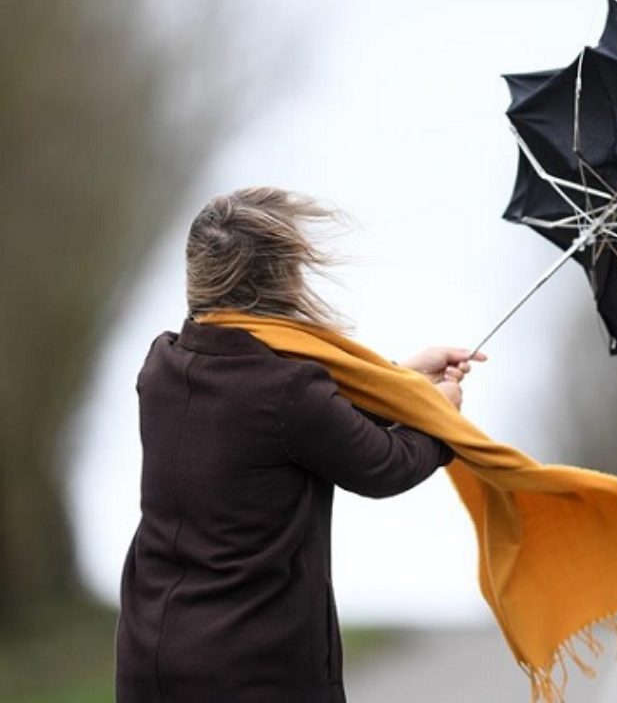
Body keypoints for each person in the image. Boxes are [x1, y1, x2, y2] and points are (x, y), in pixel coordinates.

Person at [114, 187, 483, 703]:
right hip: (251, 672)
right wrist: (439, 417)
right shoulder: (286, 391)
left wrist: (403, 383)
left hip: (149, 658)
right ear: (283, 280)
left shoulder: (163, 366)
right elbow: (383, 464)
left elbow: (305, 427)